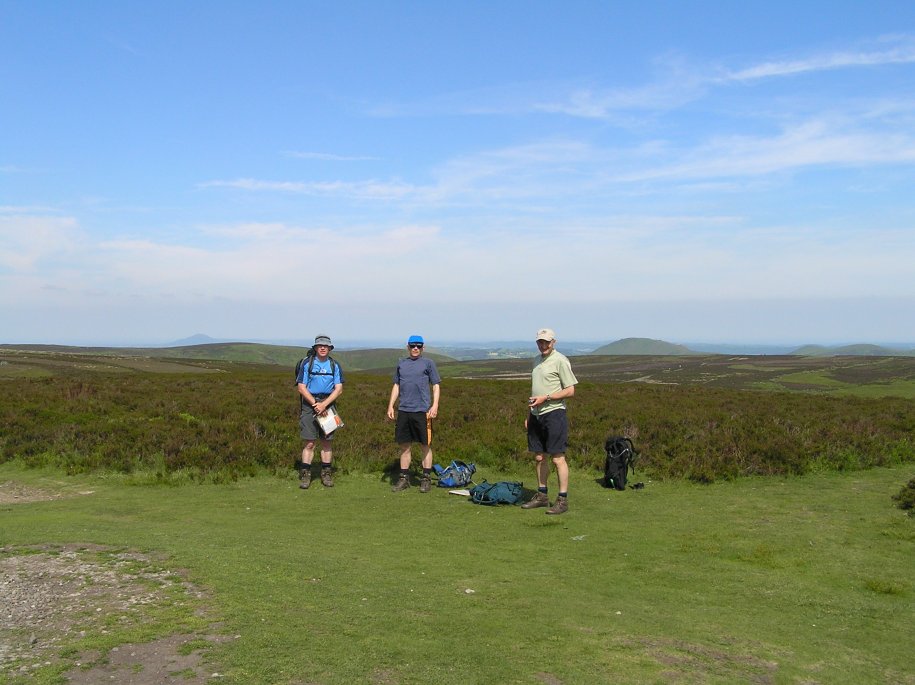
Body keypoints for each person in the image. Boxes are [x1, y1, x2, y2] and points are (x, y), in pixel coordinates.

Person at [522, 328, 578, 515]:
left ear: (553, 342)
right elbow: (534, 391)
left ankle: (562, 500)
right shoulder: (536, 361)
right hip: (536, 414)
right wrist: (530, 414)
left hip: (554, 414)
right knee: (539, 456)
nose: (543, 345)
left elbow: (570, 390)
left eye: (546, 342)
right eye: (540, 342)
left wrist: (546, 398)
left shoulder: (560, 360)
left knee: (557, 458)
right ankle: (542, 495)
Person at [387, 334, 441, 493]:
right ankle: (404, 479)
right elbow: (396, 385)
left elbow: (436, 385)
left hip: (422, 411)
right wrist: (391, 405)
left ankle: (426, 479)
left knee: (425, 445)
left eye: (418, 346)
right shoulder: (401, 364)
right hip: (404, 410)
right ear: (408, 347)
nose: (415, 348)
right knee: (405, 446)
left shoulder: (428, 363)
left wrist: (435, 405)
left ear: (423, 347)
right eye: (412, 346)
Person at [296, 335, 344, 489]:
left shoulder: (334, 365)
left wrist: (324, 405)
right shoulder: (306, 364)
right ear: (315, 348)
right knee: (309, 442)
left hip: (328, 405)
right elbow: (301, 387)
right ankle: (305, 475)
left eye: (326, 346)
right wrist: (316, 404)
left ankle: (326, 473)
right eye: (320, 346)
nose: (323, 348)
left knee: (327, 442)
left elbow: (339, 389)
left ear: (330, 348)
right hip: (310, 405)